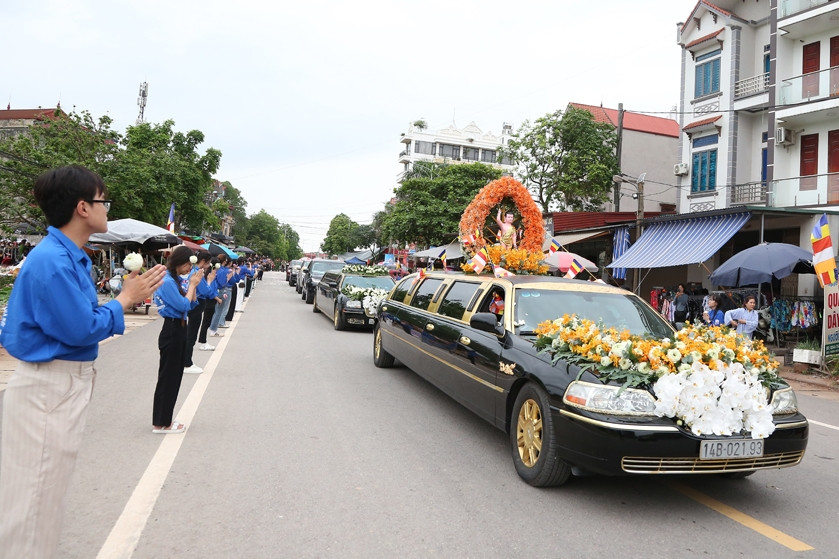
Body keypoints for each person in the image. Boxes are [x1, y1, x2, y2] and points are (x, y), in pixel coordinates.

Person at [0, 165, 166, 558]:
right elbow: (81, 328)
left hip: (58, 384)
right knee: (33, 505)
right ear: (82, 208)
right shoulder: (53, 261)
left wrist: (125, 299)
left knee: (45, 499)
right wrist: (125, 299)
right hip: (49, 385)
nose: (107, 208)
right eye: (102, 200)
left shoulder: (69, 257)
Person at [152, 245, 202, 433]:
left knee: (174, 377)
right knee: (168, 378)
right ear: (180, 262)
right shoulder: (167, 281)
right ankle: (161, 423)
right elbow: (182, 305)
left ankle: (164, 420)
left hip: (179, 328)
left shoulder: (175, 279)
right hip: (172, 329)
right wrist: (192, 285)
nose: (190, 268)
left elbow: (192, 303)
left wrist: (194, 285)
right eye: (188, 264)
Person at [183, 251, 215, 371]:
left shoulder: (193, 271)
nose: (209, 265)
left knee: (189, 333)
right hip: (197, 303)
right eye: (208, 263)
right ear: (203, 261)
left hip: (193, 302)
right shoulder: (198, 273)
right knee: (191, 334)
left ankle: (185, 361)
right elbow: (206, 291)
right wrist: (209, 281)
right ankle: (187, 363)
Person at [197, 257, 222, 351]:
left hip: (211, 300)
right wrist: (217, 298)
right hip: (210, 300)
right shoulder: (210, 275)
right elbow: (209, 291)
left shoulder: (212, 275)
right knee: (206, 322)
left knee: (206, 322)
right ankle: (203, 342)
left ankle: (203, 341)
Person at [207, 254, 231, 336]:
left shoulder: (214, 270)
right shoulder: (221, 271)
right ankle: (213, 329)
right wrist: (227, 279)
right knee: (219, 311)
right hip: (221, 290)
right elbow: (222, 283)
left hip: (216, 291)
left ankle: (213, 328)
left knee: (217, 311)